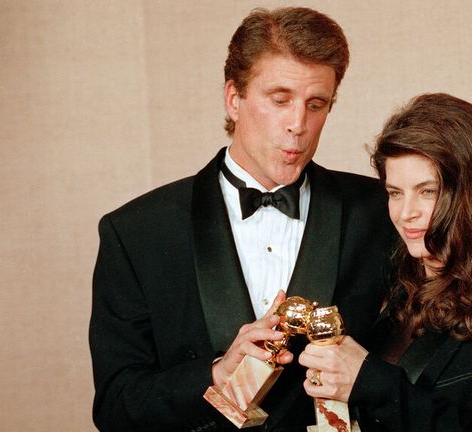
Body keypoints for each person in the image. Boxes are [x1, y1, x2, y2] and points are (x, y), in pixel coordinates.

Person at [88, 7, 395, 431]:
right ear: (234, 98)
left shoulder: (382, 210)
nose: (298, 125)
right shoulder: (136, 231)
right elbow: (116, 408)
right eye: (280, 99)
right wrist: (217, 373)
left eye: (316, 104)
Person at [299, 93, 472, 431]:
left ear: (471, 192)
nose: (406, 213)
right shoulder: (398, 296)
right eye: (395, 193)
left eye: (427, 191)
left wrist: (370, 382)